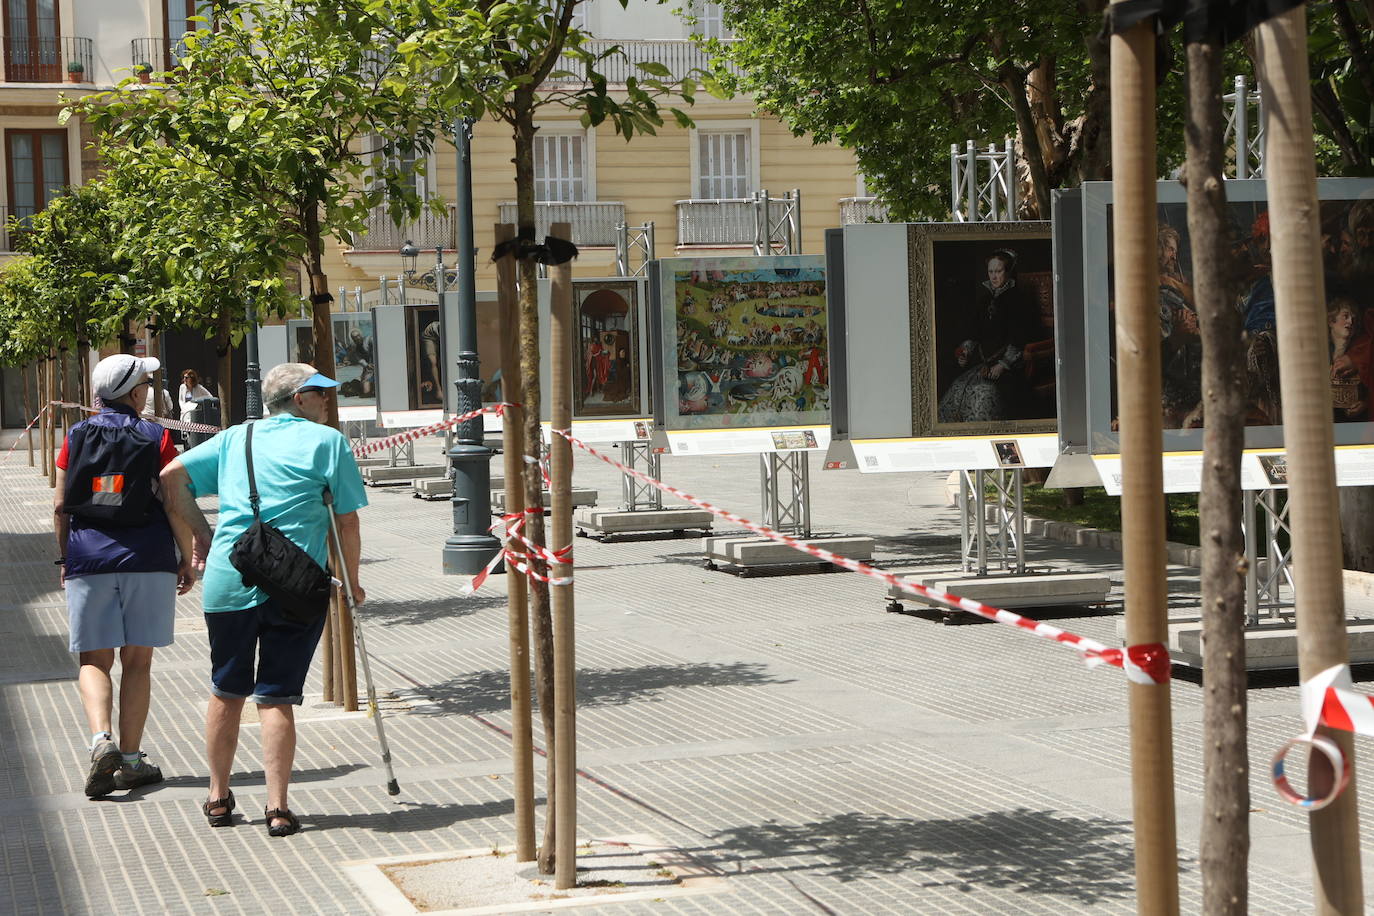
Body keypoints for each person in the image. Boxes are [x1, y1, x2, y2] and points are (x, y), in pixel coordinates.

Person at [160, 363, 367, 837]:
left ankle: (217, 798)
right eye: (321, 393)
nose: (328, 400)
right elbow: (348, 522)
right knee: (276, 697)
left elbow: (171, 477)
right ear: (299, 399)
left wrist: (204, 534)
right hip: (296, 585)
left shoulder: (237, 438)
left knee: (226, 690)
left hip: (230, 579)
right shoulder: (328, 442)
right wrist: (350, 581)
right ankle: (277, 807)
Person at [54, 354, 196, 798]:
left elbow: (60, 505)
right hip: (148, 558)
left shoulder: (74, 436)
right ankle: (132, 761)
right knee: (138, 662)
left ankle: (102, 742)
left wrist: (66, 559)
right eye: (146, 383)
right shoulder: (158, 437)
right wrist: (187, 558)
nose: (149, 389)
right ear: (134, 393)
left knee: (94, 661)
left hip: (89, 559)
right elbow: (174, 501)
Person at [937, 249, 1038, 422]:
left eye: (998, 271)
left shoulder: (1019, 300)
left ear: (1008, 272)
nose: (994, 276)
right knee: (959, 387)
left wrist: (1003, 365)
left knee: (982, 393)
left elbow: (1021, 337)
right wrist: (965, 352)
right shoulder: (984, 300)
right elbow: (975, 332)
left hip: (1011, 366)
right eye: (991, 272)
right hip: (983, 363)